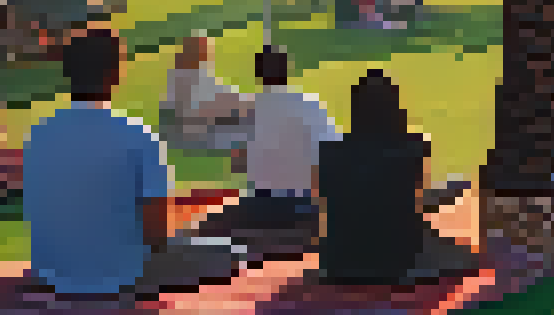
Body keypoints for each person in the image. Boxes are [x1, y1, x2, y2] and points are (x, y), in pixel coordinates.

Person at [23, 28, 244, 299]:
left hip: (52, 271)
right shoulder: (137, 135)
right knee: (230, 254)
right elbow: (157, 235)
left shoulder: (38, 135)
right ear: (115, 73)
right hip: (123, 273)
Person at [314, 69, 484, 285]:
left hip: (338, 264)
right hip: (398, 261)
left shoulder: (329, 152)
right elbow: (415, 204)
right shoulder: (413, 146)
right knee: (468, 256)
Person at [227, 46, 341, 244]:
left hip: (259, 208)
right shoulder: (311, 104)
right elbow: (333, 157)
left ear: (258, 74)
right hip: (305, 208)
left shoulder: (247, 109)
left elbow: (236, 164)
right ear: (288, 70)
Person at [161, 36, 255, 153]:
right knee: (247, 128)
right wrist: (243, 104)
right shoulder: (187, 77)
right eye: (205, 50)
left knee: (246, 120)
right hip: (190, 136)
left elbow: (220, 94)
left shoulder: (185, 74)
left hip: (189, 130)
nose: (209, 55)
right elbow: (205, 108)